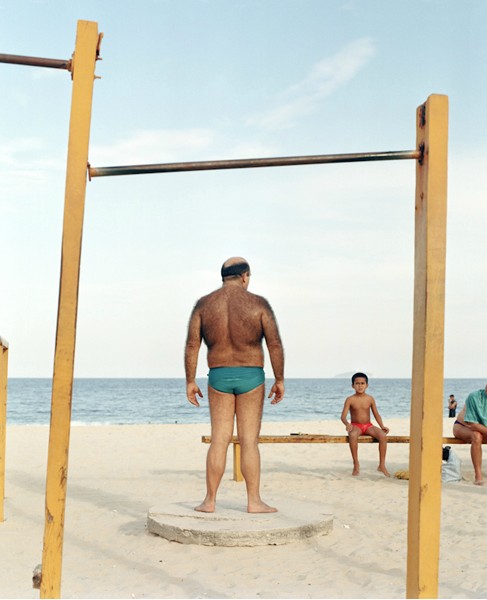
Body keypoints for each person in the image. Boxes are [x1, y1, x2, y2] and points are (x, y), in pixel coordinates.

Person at [184, 257, 285, 513]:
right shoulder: (259, 304)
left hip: (218, 375)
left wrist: (190, 381)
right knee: (249, 442)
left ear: (223, 276)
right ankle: (253, 501)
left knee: (219, 439)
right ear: (245, 276)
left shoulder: (204, 304)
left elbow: (192, 345)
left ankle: (209, 501)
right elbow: (274, 344)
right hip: (251, 375)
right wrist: (280, 379)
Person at [340, 372, 390, 477]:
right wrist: (347, 424)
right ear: (353, 385)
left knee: (383, 436)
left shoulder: (370, 399)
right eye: (357, 383)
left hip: (368, 426)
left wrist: (382, 426)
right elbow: (343, 416)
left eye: (362, 383)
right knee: (352, 435)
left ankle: (382, 465)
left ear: (367, 385)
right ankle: (356, 464)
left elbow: (376, 414)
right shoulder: (350, 399)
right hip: (356, 426)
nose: (360, 386)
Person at [453, 384, 487, 485]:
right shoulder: (474, 397)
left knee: (479, 434)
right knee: (476, 436)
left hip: (483, 428)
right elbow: (472, 424)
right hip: (464, 426)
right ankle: (478, 476)